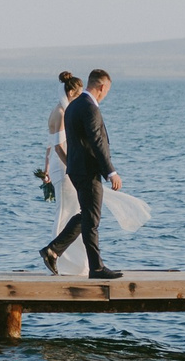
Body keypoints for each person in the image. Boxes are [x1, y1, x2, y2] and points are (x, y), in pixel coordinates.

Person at [40, 68, 124, 280]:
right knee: (92, 220)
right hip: (87, 171)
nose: (106, 95)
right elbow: (97, 142)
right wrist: (110, 171)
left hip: (76, 169)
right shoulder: (89, 107)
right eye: (107, 90)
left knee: (87, 215)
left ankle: (54, 250)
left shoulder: (73, 106)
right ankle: (96, 268)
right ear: (102, 87)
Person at [34, 71, 81, 202]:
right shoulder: (61, 113)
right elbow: (58, 147)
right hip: (63, 167)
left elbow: (49, 145)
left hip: (57, 164)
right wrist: (72, 169)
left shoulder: (55, 110)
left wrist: (46, 169)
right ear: (71, 93)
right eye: (79, 95)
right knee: (67, 208)